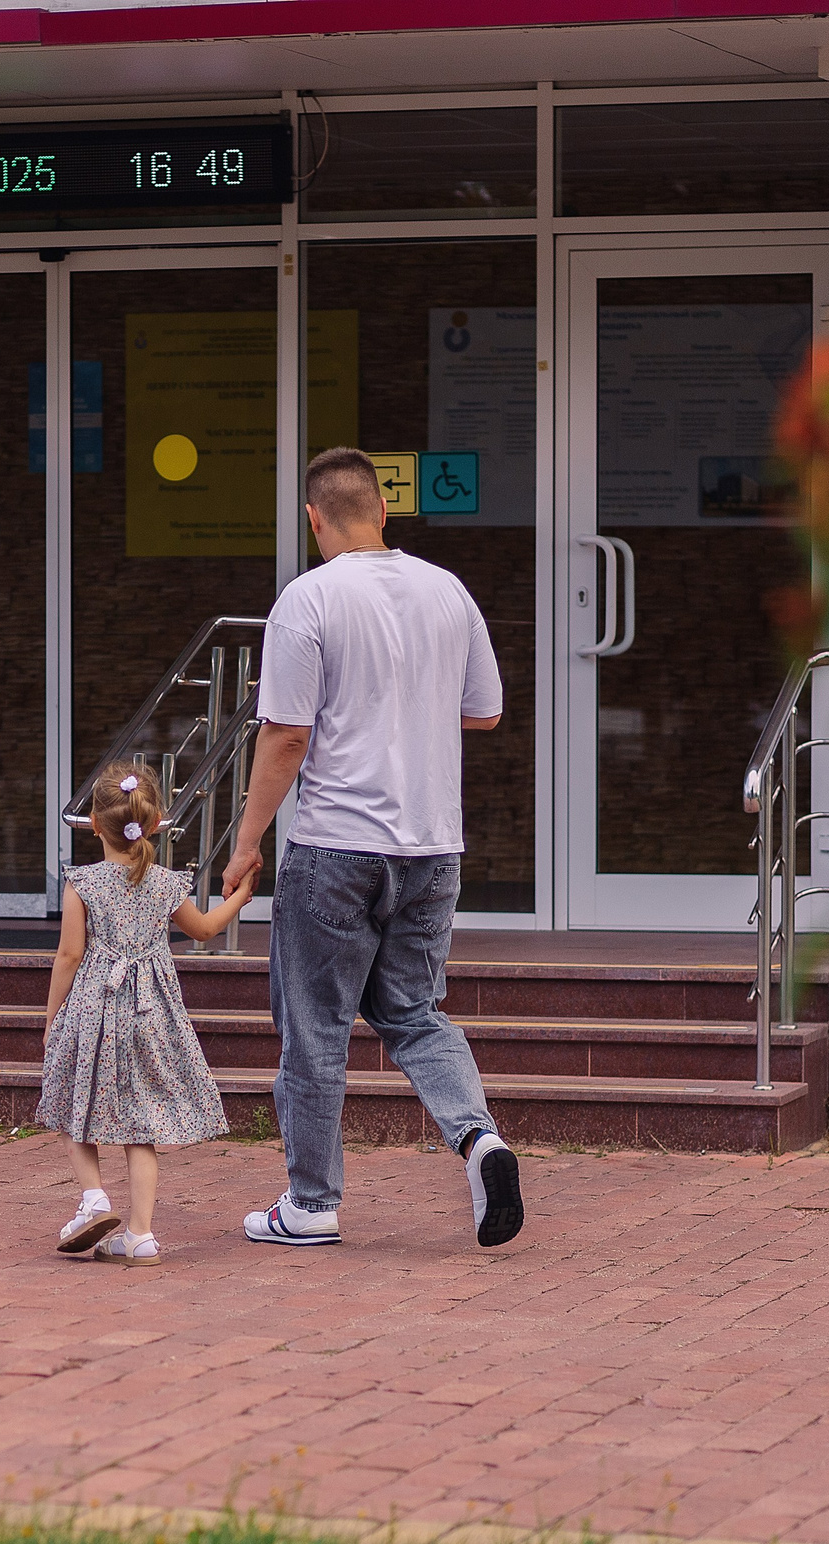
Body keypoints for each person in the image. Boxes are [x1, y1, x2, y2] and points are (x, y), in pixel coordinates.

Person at [222, 446, 524, 1251]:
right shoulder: (448, 591)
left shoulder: (308, 599)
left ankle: (312, 1203)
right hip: (431, 847)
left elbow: (286, 734)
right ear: (384, 511)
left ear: (314, 518)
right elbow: (485, 712)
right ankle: (480, 1139)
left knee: (316, 1027)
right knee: (416, 1013)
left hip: (334, 847)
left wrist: (246, 843)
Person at [37, 768, 258, 1267]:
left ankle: (93, 1197)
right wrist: (241, 897)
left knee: (78, 1100)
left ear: (93, 823)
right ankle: (140, 1234)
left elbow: (69, 956)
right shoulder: (163, 885)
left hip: (96, 1008)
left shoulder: (83, 883)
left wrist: (53, 1017)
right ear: (156, 823)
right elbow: (202, 930)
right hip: (151, 1012)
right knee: (142, 1122)